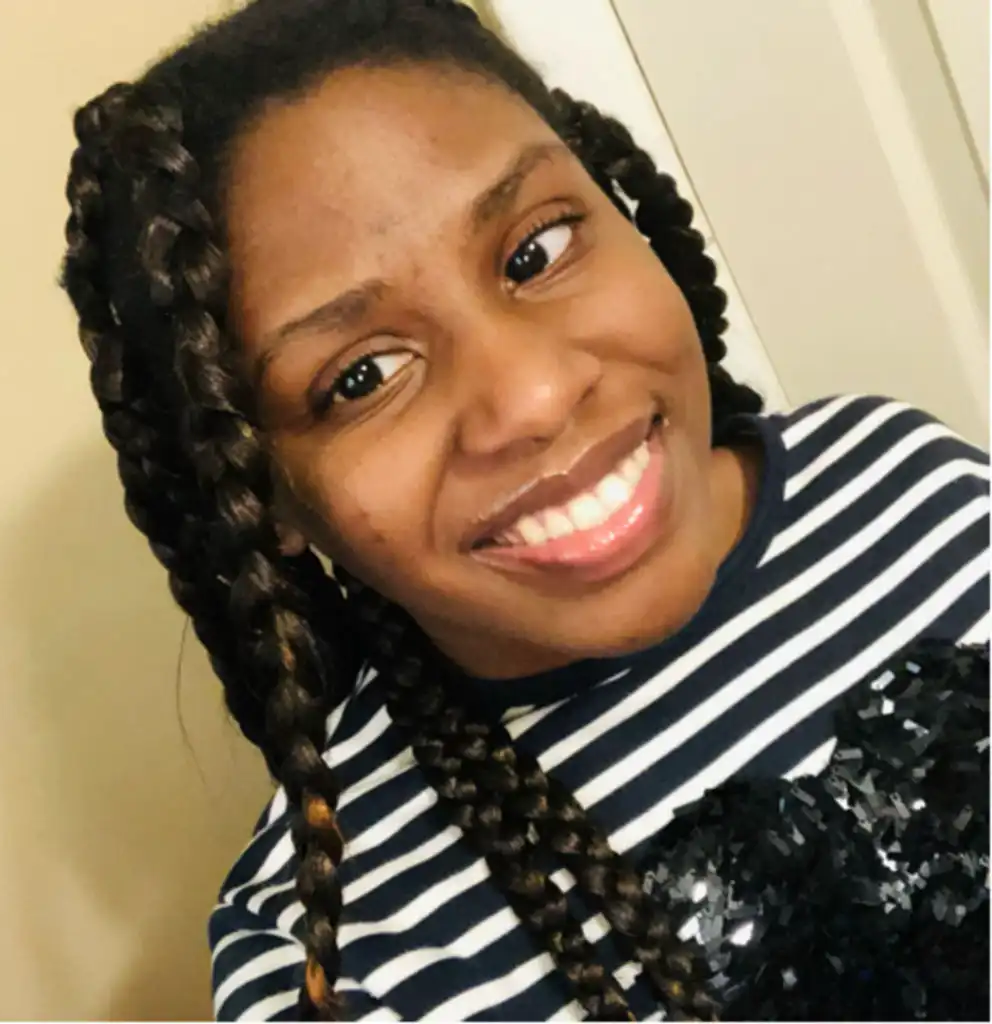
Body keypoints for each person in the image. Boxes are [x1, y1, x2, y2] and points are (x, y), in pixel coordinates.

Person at [59, 1, 989, 1019]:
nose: (534, 397)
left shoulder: (908, 480)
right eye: (363, 376)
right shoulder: (341, 958)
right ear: (262, 490)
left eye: (535, 251)